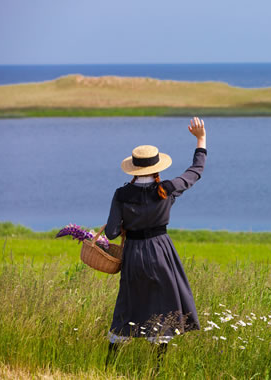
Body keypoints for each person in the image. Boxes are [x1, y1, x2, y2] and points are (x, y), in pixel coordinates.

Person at [104, 117, 207, 366]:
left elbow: (111, 234)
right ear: (156, 167)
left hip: (134, 255)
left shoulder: (121, 194)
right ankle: (157, 369)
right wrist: (201, 139)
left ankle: (109, 365)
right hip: (162, 252)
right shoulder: (168, 188)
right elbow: (195, 172)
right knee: (162, 306)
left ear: (133, 168)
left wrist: (124, 223)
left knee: (128, 303)